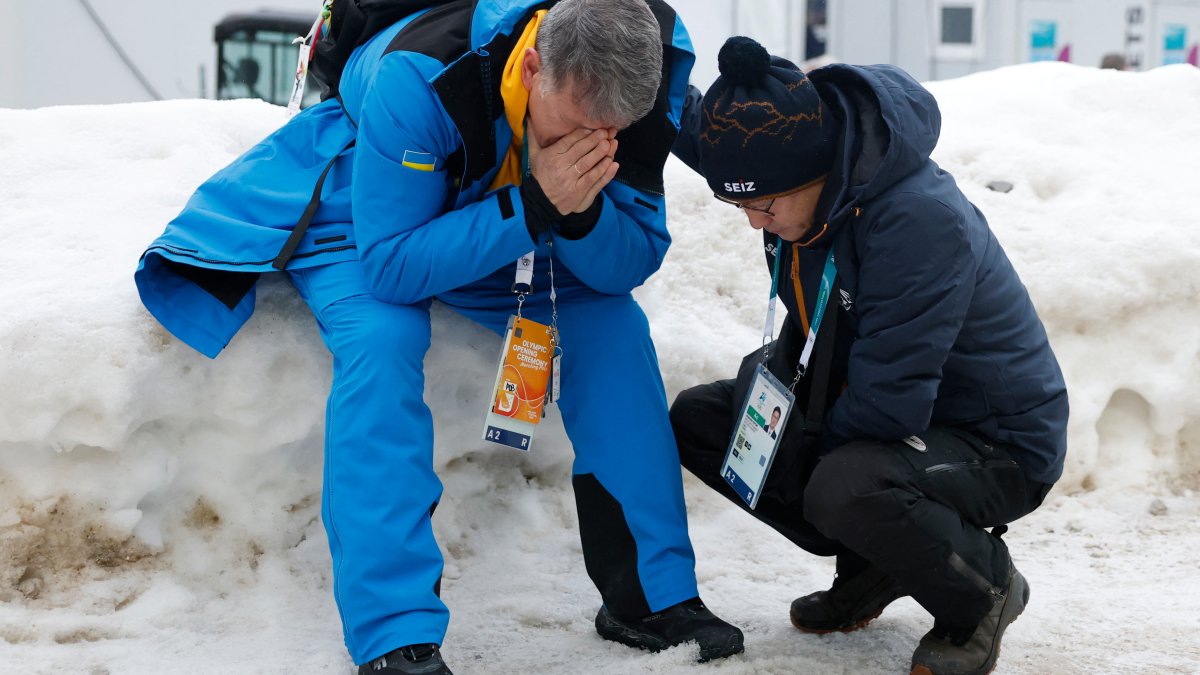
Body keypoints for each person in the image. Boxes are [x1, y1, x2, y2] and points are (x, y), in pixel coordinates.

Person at [135, 2, 744, 673]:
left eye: (612, 133)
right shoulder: (420, 76)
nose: (594, 147)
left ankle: (652, 597)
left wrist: (579, 213)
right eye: (577, 126)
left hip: (514, 215)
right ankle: (394, 633)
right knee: (382, 341)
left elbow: (631, 260)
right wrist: (533, 204)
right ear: (534, 68)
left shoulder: (642, 69)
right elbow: (391, 265)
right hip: (370, 211)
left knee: (614, 328)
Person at [670, 37, 1068, 675]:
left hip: (995, 441)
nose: (753, 223)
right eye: (739, 205)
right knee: (703, 421)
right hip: (890, 411)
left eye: (762, 205)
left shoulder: (917, 221)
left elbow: (889, 402)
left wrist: (799, 451)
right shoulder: (797, 174)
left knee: (841, 485)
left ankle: (982, 590)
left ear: (816, 172)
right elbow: (699, 129)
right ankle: (881, 562)